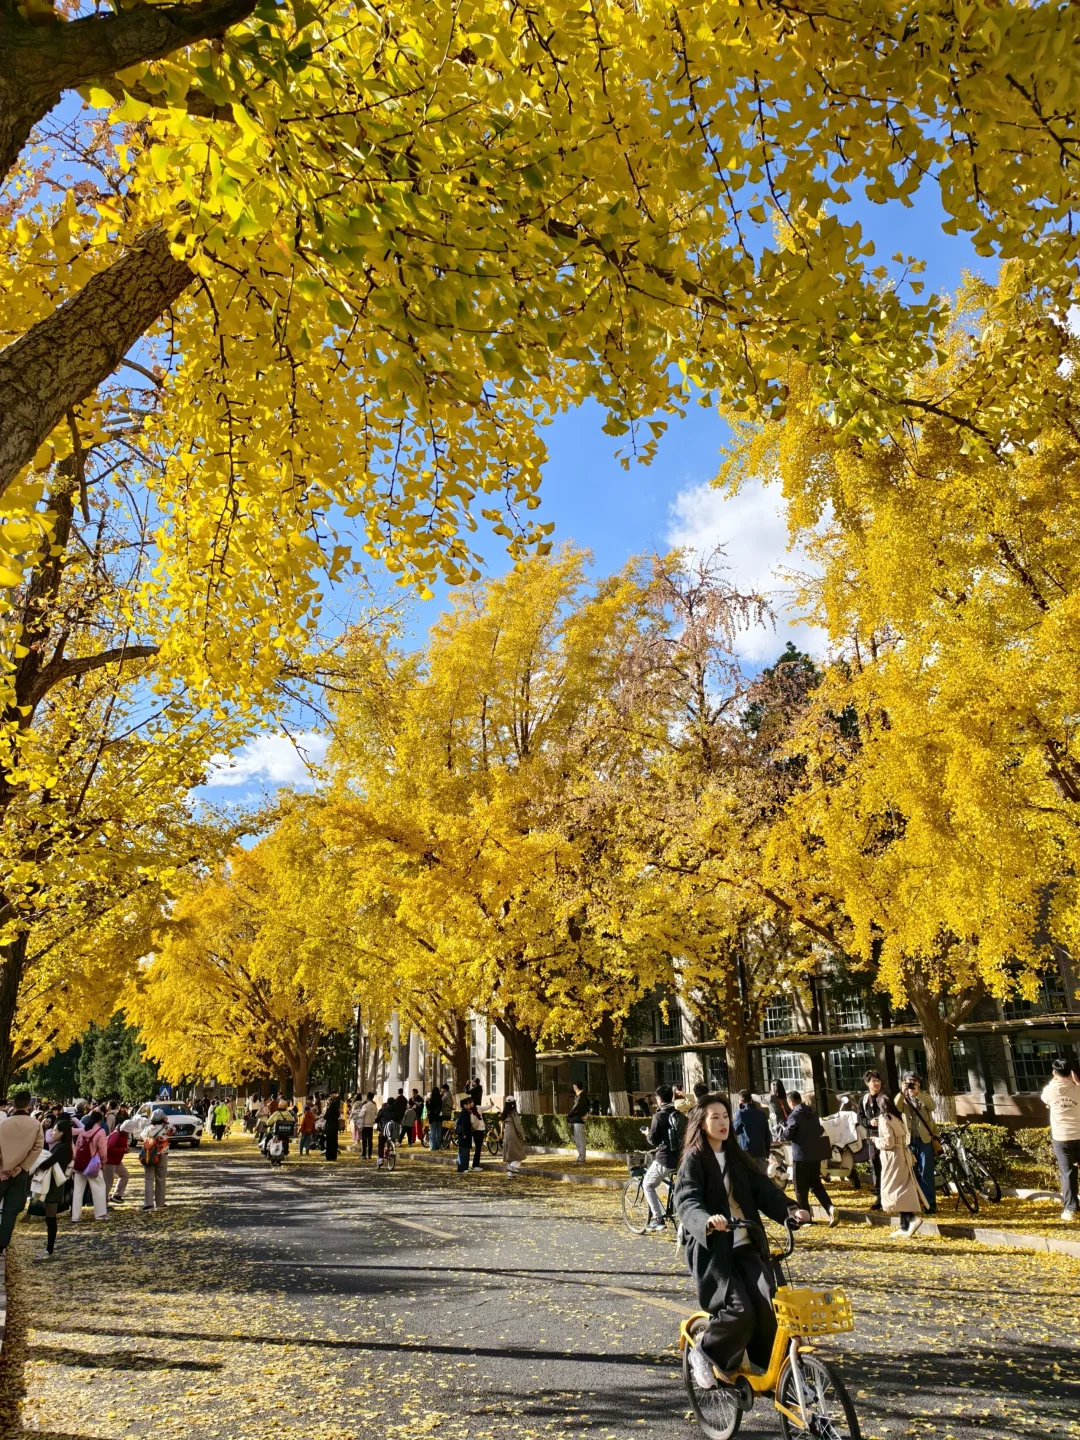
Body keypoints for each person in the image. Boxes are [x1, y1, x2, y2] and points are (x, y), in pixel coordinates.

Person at [675, 1093, 810, 1389]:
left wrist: (790, 1209)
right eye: (715, 1117)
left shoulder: (737, 1156)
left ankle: (772, 1373)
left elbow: (764, 1190)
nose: (723, 1122)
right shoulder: (694, 1160)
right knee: (740, 1310)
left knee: (768, 1303)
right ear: (701, 1123)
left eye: (725, 1116)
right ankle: (704, 1352)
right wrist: (707, 1221)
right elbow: (686, 1201)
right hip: (715, 1252)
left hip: (747, 1244)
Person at [781, 1092, 839, 1226]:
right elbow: (819, 1130)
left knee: (800, 1189)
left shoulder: (794, 1116)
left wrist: (784, 1130)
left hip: (801, 1157)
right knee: (817, 1185)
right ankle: (830, 1208)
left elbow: (788, 1135)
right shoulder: (812, 1115)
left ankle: (805, 1218)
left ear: (791, 1102)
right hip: (815, 1157)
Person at [875, 1093, 927, 1237]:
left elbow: (888, 1142)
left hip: (892, 1157)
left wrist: (875, 1141)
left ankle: (910, 1219)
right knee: (903, 1188)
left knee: (893, 1190)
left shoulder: (884, 1119)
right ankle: (904, 1226)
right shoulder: (896, 1117)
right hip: (903, 1155)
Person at [0, 1089, 45, 1255]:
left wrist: (4, 1166)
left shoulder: (4, 1123)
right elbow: (38, 1147)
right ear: (29, 1104)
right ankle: (2, 1244)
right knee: (10, 1211)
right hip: (20, 1172)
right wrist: (22, 1166)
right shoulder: (35, 1125)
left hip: (2, 1170)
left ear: (13, 1103)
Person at [642, 1084, 685, 1232]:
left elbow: (653, 1140)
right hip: (680, 1159)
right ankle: (675, 1209)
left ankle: (658, 1219)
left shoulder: (659, 1115)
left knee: (648, 1184)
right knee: (671, 1184)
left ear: (659, 1099)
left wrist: (647, 1133)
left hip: (665, 1159)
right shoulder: (679, 1114)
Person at [1041, 1057, 1080, 1220]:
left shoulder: (1049, 1090)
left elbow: (1045, 1100)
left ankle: (1070, 1209)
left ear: (1054, 1072)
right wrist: (1076, 1082)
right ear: (1071, 1072)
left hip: (1062, 1137)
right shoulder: (1078, 1089)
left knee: (1068, 1172)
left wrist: (1054, 1080)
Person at [32, 1111, 74, 1260]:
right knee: (49, 1217)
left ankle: (49, 1250)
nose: (53, 1132)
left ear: (62, 1133)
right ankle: (49, 1249)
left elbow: (49, 1163)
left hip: (54, 1184)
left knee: (51, 1218)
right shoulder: (62, 1146)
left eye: (56, 1130)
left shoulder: (62, 1148)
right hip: (52, 1182)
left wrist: (34, 1165)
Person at [895, 1072, 938, 1215]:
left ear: (919, 1083)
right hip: (909, 1140)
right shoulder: (903, 1098)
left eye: (914, 1082)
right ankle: (915, 1203)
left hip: (925, 1139)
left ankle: (929, 1204)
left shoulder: (924, 1097)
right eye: (908, 1082)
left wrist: (917, 1093)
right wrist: (902, 1092)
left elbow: (932, 1106)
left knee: (926, 1171)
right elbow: (896, 1107)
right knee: (911, 1174)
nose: (911, 1085)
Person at [70, 1108, 108, 1222]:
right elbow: (102, 1149)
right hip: (93, 1163)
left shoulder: (83, 1130)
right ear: (100, 1120)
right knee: (99, 1187)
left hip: (80, 1163)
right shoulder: (100, 1131)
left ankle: (75, 1216)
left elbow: (77, 1144)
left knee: (78, 1190)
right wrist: (103, 1161)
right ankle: (100, 1214)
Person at [858, 1069, 884, 1209]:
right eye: (873, 1081)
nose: (876, 1084)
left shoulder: (885, 1098)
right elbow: (860, 1118)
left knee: (888, 1166)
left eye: (878, 1081)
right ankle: (879, 1198)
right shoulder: (864, 1100)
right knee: (876, 1166)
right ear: (867, 1083)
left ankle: (889, 1196)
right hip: (872, 1137)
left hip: (886, 1137)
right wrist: (869, 1123)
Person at [140, 1109, 173, 1210]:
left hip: (148, 1154)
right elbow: (173, 1131)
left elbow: (142, 1136)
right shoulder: (166, 1127)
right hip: (162, 1154)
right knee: (161, 1178)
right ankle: (160, 1203)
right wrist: (166, 1122)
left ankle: (148, 1204)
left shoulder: (147, 1128)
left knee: (148, 1179)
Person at [732, 1090, 771, 1161]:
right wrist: (767, 1152)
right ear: (751, 1099)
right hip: (761, 1152)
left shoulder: (741, 1113)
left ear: (740, 1101)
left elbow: (735, 1131)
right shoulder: (762, 1114)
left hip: (747, 1152)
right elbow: (767, 1134)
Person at [103, 1112, 131, 1205]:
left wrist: (124, 1149)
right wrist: (123, 1150)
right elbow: (108, 1149)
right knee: (108, 1183)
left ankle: (117, 1195)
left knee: (125, 1175)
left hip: (116, 1161)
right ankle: (104, 1203)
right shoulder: (115, 1135)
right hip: (110, 1161)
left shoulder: (122, 1134)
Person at [502, 1098, 526, 1175]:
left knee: (511, 1156)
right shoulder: (514, 1113)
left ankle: (510, 1175)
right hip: (514, 1135)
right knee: (519, 1155)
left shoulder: (504, 1113)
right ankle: (511, 1168)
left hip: (506, 1135)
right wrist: (523, 1135)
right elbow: (518, 1125)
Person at [567, 1082, 589, 1163]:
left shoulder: (581, 1096)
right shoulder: (579, 1096)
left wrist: (569, 1115)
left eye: (574, 1085)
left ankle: (582, 1158)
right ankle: (581, 1157)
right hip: (576, 1120)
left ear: (577, 1086)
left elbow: (577, 1107)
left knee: (580, 1139)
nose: (573, 1087)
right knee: (578, 1139)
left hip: (579, 1120)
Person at [375, 1097, 395, 1169]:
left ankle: (380, 1158)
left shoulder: (384, 1110)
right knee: (392, 1140)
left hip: (385, 1130)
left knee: (381, 1142)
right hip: (393, 1130)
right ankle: (390, 1151)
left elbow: (377, 1118)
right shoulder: (396, 1110)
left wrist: (377, 1121)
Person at [454, 1098, 473, 1173]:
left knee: (463, 1151)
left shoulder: (465, 1112)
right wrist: (465, 1134)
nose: (469, 1105)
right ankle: (463, 1168)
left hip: (463, 1135)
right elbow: (464, 1124)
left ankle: (463, 1167)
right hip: (464, 1135)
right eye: (468, 1104)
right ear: (464, 1105)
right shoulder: (465, 1113)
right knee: (464, 1152)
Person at [358, 1092, 377, 1159]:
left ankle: (363, 1154)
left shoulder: (365, 1106)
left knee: (364, 1140)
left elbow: (361, 1115)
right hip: (371, 1125)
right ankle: (369, 1154)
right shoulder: (374, 1105)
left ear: (367, 1097)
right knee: (370, 1140)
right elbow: (375, 1114)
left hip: (365, 1125)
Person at [468, 1099, 486, 1169]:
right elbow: (471, 1122)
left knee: (478, 1148)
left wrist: (492, 1104)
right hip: (476, 1131)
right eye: (470, 1102)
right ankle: (475, 1165)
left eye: (473, 1102)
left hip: (481, 1129)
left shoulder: (478, 1108)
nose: (472, 1103)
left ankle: (475, 1165)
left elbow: (485, 1107)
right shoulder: (470, 1112)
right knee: (478, 1148)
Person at [323, 1092, 341, 1161]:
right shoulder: (337, 1108)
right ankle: (334, 1156)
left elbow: (326, 1116)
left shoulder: (332, 1106)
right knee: (334, 1141)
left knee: (329, 1141)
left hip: (330, 1125)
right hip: (335, 1125)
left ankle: (329, 1156)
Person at [427, 1084, 444, 1152]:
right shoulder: (440, 1099)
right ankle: (438, 1146)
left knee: (433, 1132)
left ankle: (433, 1146)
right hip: (439, 1117)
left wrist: (427, 1102)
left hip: (432, 1117)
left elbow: (428, 1108)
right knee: (439, 1132)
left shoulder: (431, 1099)